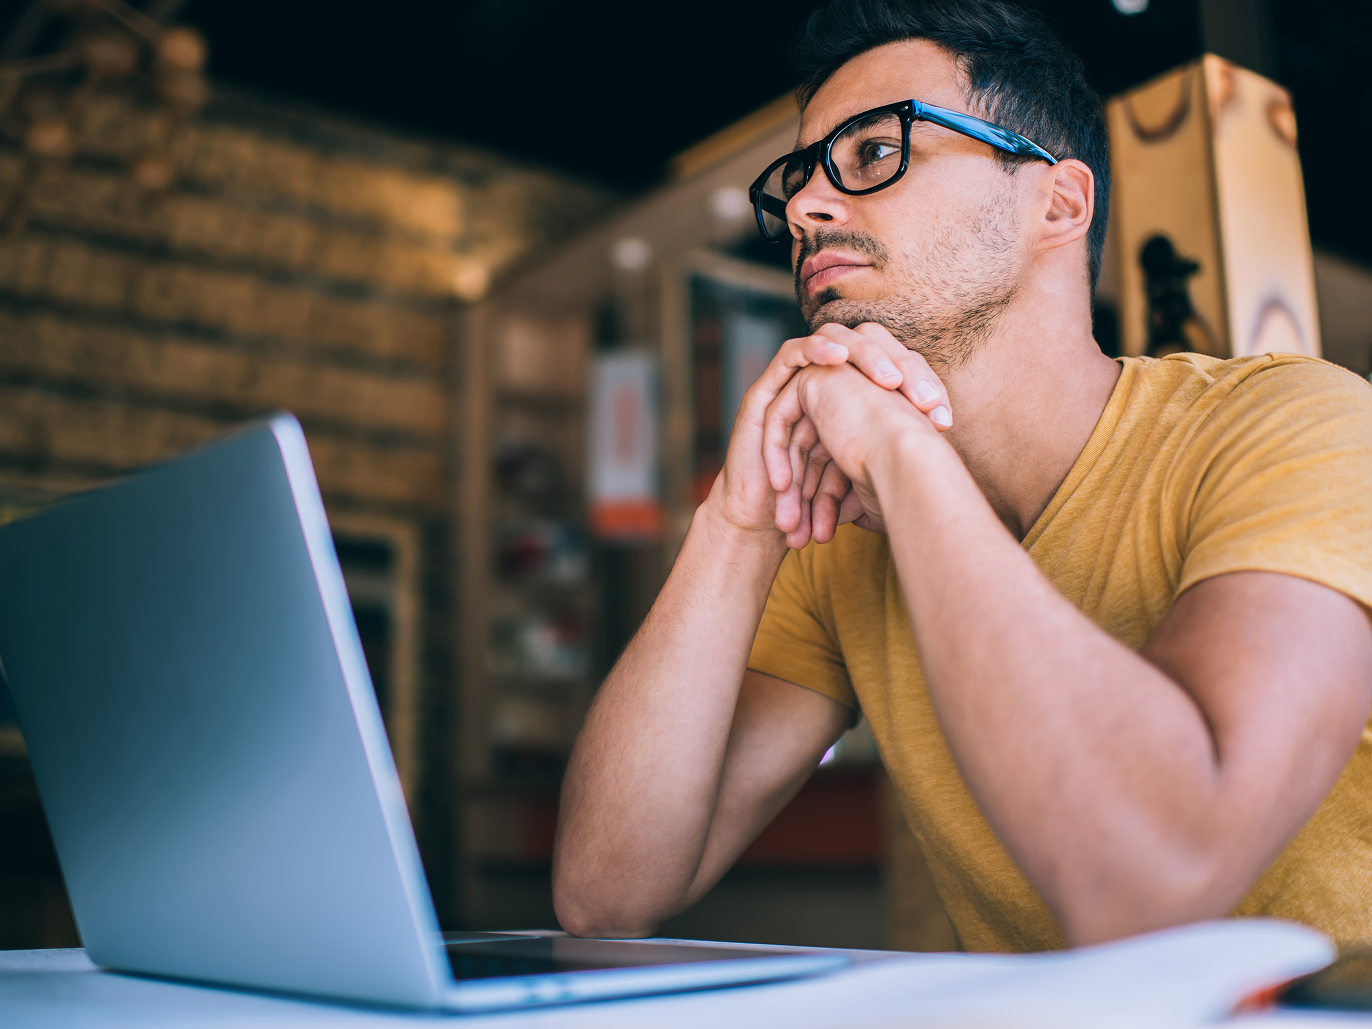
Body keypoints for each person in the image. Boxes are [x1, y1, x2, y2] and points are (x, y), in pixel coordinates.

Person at [553, 0, 1372, 952]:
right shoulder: (841, 535)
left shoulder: (1295, 424)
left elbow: (1158, 873)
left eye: (873, 154)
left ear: (1057, 204)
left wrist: (905, 455)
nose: (807, 210)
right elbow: (605, 889)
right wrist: (737, 522)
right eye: (799, 182)